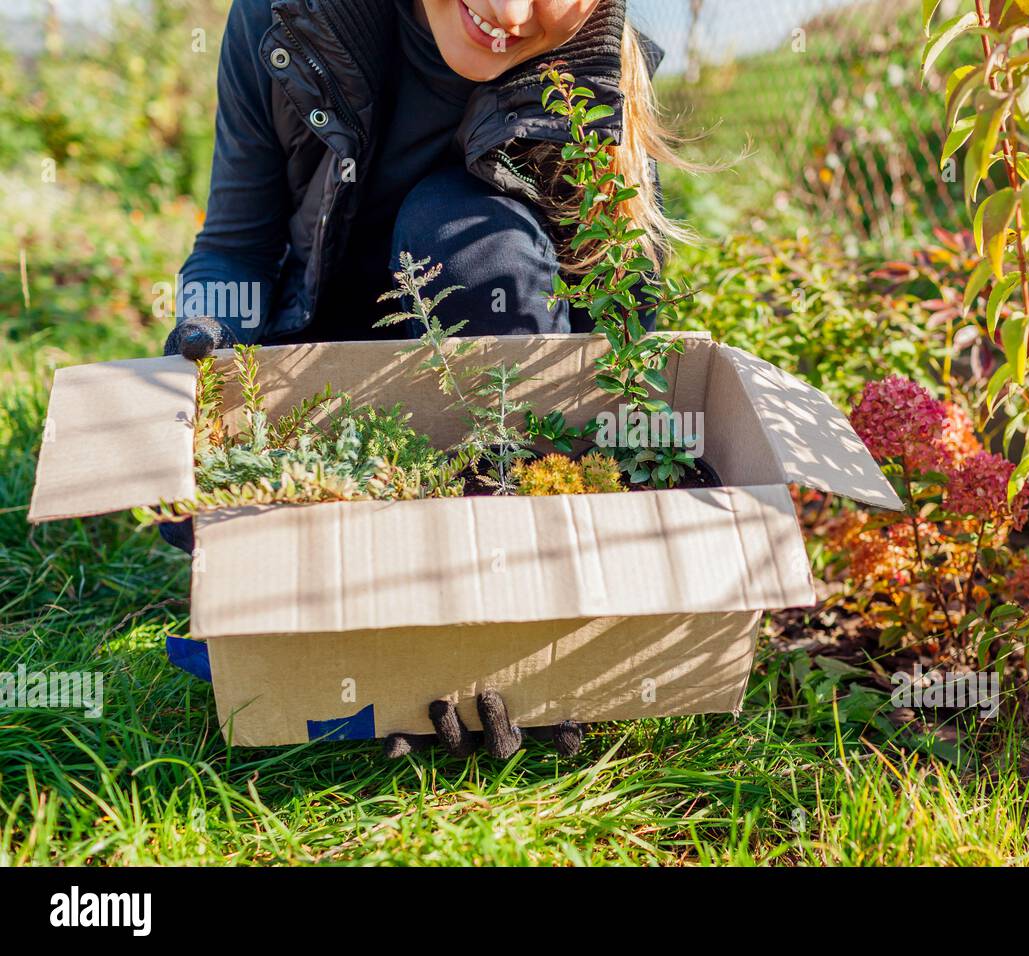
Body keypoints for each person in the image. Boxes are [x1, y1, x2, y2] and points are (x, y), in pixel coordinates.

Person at [162, 0, 685, 761]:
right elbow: (234, 246)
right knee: (193, 514)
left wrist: (566, 616)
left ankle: (490, 621)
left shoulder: (596, 72)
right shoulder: (286, 20)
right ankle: (360, 610)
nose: (508, 12)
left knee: (465, 235)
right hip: (327, 400)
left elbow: (622, 339)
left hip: (497, 417)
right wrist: (211, 352)